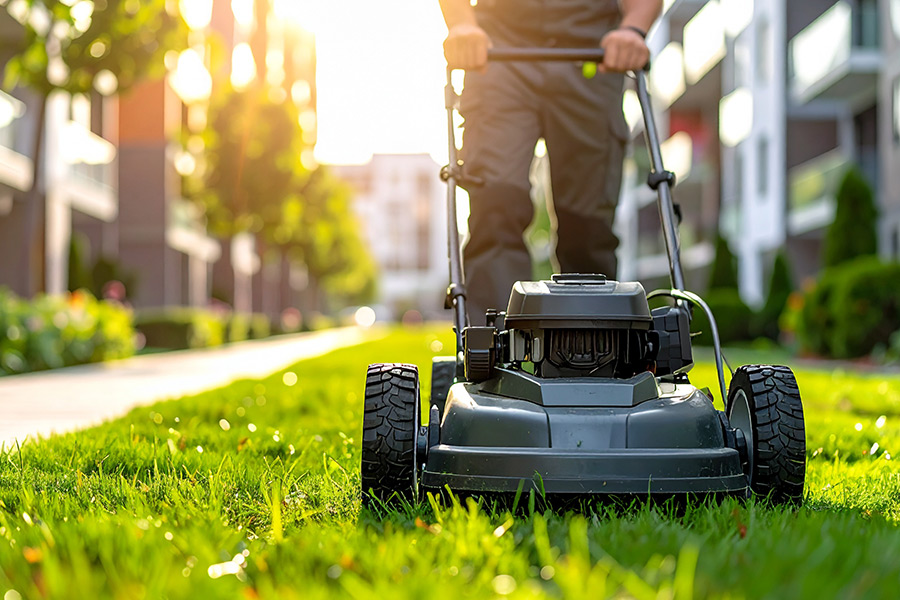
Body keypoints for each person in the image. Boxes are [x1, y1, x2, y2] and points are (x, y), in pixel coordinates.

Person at [439, 0, 662, 323]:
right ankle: (494, 349)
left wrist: (632, 29)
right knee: (495, 204)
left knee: (587, 225)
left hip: (592, 51)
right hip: (498, 49)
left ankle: (591, 349)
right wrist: (461, 23)